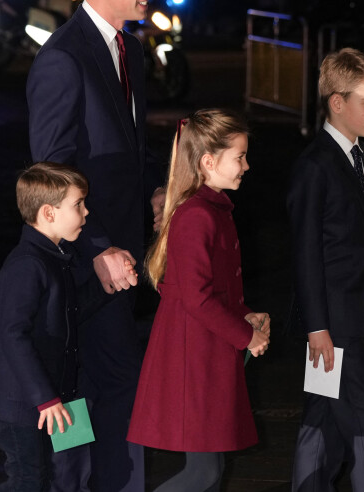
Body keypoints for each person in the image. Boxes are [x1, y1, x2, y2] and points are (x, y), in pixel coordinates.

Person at [26, 0, 162, 492]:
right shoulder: (63, 60)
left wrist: (155, 190)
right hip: (86, 269)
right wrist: (98, 247)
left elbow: (133, 147)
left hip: (123, 261)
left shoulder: (128, 49)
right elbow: (51, 177)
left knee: (110, 396)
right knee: (92, 400)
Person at [127, 109, 270, 491]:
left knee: (210, 471)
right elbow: (197, 297)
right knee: (204, 472)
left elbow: (218, 288)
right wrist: (245, 336)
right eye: (239, 156)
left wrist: (247, 315)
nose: (246, 165)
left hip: (206, 353)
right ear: (208, 161)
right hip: (195, 359)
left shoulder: (213, 209)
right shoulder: (197, 215)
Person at [288, 48, 364, 491]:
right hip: (332, 326)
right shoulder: (314, 166)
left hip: (358, 314)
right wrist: (317, 326)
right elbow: (303, 254)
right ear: (337, 102)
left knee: (323, 418)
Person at [0, 162, 91, 490]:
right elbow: (11, 333)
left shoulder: (58, 257)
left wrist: (107, 290)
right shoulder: (27, 265)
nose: (86, 212)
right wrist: (45, 398)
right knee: (28, 480)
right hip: (27, 406)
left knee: (68, 474)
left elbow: (68, 313)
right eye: (78, 205)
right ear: (49, 213)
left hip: (61, 398)